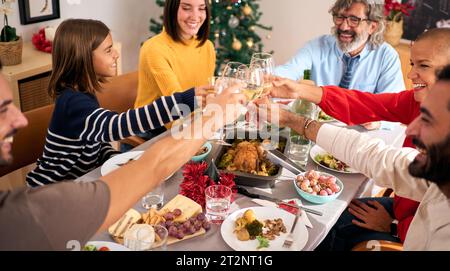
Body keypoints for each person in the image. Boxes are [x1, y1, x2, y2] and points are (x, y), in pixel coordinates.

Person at [0, 60, 246, 250]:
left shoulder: (86, 95)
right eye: (2, 111)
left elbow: (98, 146)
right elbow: (154, 162)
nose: (20, 119)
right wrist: (214, 115)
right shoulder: (21, 217)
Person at [268, 28, 450, 248]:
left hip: (409, 229)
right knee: (330, 218)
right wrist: (299, 91)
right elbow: (367, 104)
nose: (411, 75)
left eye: (424, 65)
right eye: (412, 64)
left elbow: (434, 234)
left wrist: (391, 226)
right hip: (404, 207)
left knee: (326, 236)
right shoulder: (421, 99)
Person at [25, 19, 208, 187]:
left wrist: (115, 160)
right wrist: (185, 99)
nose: (116, 54)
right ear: (83, 57)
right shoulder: (72, 102)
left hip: (81, 182)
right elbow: (114, 126)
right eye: (108, 50)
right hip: (49, 192)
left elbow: (94, 139)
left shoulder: (84, 94)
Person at [275, 0, 405, 130]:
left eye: (354, 20)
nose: (344, 27)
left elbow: (397, 109)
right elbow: (288, 70)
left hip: (359, 137)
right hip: (317, 131)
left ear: (372, 27)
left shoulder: (386, 56)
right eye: (340, 17)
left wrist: (377, 122)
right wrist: (265, 78)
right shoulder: (317, 46)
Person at [133, 0, 216, 141]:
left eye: (201, 9)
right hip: (153, 130)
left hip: (189, 122)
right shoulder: (154, 49)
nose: (195, 16)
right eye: (186, 8)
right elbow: (177, 106)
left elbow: (206, 94)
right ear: (172, 9)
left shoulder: (207, 46)